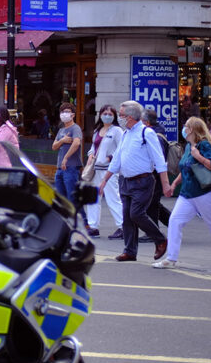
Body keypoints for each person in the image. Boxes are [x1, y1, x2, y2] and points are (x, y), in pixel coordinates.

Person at [153, 117, 211, 269]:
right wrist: (174, 184)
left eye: (186, 126)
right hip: (187, 193)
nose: (184, 129)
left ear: (192, 129)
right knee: (175, 221)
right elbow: (185, 169)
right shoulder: (189, 146)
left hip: (204, 193)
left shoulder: (204, 145)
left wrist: (198, 156)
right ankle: (171, 258)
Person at [98, 100, 171, 262]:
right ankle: (130, 251)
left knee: (136, 214)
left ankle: (160, 239)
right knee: (127, 218)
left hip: (142, 181)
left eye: (121, 115)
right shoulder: (126, 134)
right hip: (125, 181)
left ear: (130, 117)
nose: (119, 118)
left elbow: (159, 160)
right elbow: (117, 159)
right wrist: (104, 180)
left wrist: (166, 184)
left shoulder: (147, 133)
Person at [85, 105, 124, 239]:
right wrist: (90, 155)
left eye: (110, 114)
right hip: (95, 169)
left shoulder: (117, 131)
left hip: (109, 170)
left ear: (114, 116)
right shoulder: (97, 130)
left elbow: (121, 149)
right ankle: (93, 227)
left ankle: (123, 226)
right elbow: (93, 147)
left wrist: (110, 158)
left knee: (113, 198)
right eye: (104, 113)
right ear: (100, 115)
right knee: (93, 198)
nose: (107, 116)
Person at [141, 108, 172, 235]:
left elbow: (158, 159)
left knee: (151, 204)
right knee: (154, 203)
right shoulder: (156, 133)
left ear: (147, 123)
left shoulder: (155, 137)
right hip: (155, 175)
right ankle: (173, 223)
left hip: (155, 175)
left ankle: (152, 232)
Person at [51, 102, 83, 204]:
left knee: (72, 197)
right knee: (61, 198)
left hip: (71, 167)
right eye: (62, 112)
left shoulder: (75, 128)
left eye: (67, 112)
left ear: (73, 115)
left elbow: (76, 143)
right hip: (60, 168)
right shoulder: (61, 130)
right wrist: (62, 140)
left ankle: (78, 214)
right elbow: (54, 146)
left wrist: (66, 158)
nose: (64, 114)